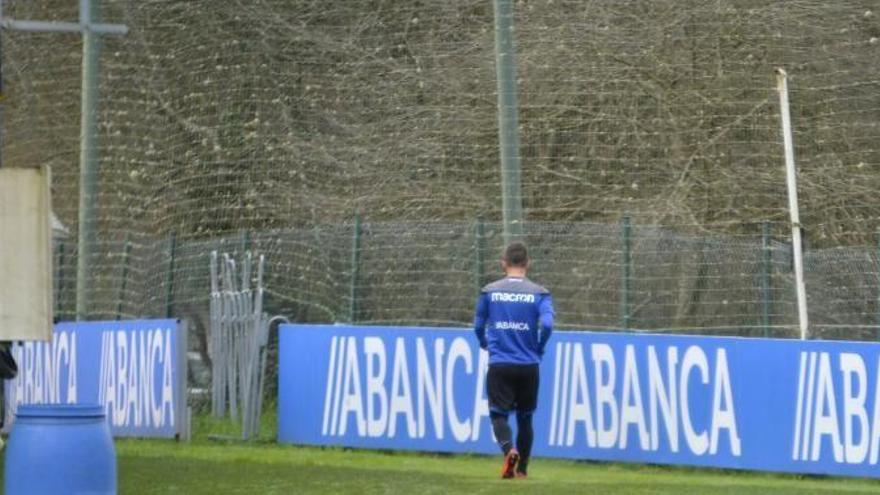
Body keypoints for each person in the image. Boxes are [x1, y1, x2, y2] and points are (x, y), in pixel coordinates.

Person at [473, 241, 554, 479]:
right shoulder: (540, 293)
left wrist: (483, 342)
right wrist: (539, 346)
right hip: (528, 365)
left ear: (503, 264)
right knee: (526, 418)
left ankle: (509, 451)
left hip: (500, 363)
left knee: (498, 415)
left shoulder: (490, 291)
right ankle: (522, 470)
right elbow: (548, 324)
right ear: (528, 264)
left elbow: (478, 325)